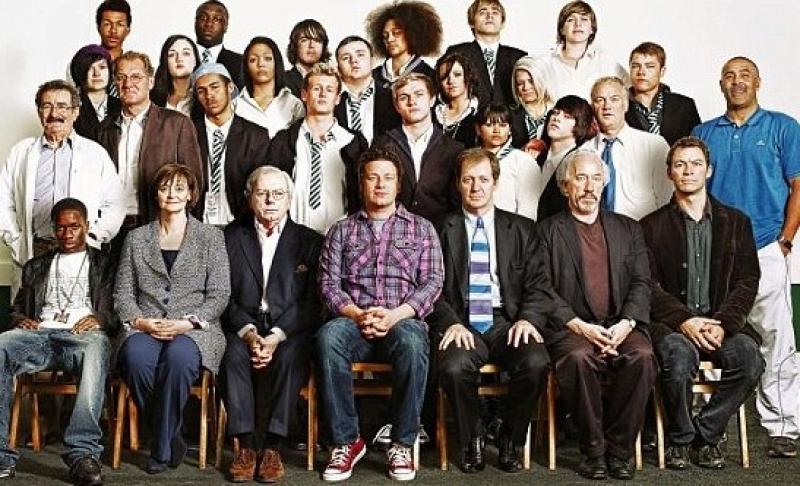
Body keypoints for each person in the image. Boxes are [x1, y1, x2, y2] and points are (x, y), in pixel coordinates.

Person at [692, 56, 800, 458]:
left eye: (745, 75)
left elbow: (798, 186)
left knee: (777, 338)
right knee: (707, 335)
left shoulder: (783, 127)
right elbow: (694, 191)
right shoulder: (703, 133)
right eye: (729, 76)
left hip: (766, 246)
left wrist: (785, 240)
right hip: (716, 253)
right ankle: (707, 425)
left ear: (758, 81)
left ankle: (783, 426)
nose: (737, 81)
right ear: (720, 84)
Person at [317, 148, 443, 482]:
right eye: (373, 177)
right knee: (328, 337)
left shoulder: (422, 229)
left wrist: (394, 315)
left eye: (388, 178)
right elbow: (328, 285)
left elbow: (432, 282)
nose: (380, 184)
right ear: (361, 183)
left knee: (414, 342)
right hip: (353, 320)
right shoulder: (341, 231)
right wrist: (358, 315)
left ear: (399, 184)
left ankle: (402, 442)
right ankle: (346, 441)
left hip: (401, 320)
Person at [531, 149, 656, 480]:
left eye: (596, 178)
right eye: (581, 178)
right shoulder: (546, 231)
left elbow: (642, 282)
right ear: (565, 186)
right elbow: (541, 287)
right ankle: (594, 450)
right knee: (578, 358)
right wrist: (580, 326)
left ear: (604, 183)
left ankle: (620, 451)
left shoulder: (628, 228)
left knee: (643, 356)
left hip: (621, 325)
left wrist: (627, 323)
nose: (589, 187)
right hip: (571, 328)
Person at [640, 136, 764, 469]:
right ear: (669, 172)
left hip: (723, 324)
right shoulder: (649, 226)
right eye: (680, 165)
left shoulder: (737, 222)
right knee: (677, 358)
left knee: (750, 360)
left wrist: (723, 324)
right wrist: (684, 320)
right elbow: (647, 285)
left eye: (696, 164)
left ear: (708, 170)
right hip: (673, 326)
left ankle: (705, 434)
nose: (688, 171)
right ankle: (680, 439)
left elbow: (747, 280)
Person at [431, 148, 549, 473]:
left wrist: (527, 319)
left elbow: (539, 285)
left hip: (507, 320)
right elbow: (429, 286)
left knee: (536, 362)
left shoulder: (522, 229)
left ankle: (510, 438)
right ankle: (472, 440)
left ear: (495, 183)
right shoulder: (440, 229)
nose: (476, 187)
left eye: (483, 179)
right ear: (458, 184)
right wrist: (450, 322)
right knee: (454, 367)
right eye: (468, 179)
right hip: (461, 320)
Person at [114, 164, 230, 474]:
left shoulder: (211, 237)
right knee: (134, 357)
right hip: (146, 326)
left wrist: (187, 323)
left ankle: (160, 448)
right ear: (155, 194)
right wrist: (141, 322)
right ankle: (171, 436)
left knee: (178, 358)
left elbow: (219, 294)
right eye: (165, 188)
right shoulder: (136, 238)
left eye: (180, 188)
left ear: (191, 194)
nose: (171, 194)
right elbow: (122, 293)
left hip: (195, 329)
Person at [0, 198, 116, 486]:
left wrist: (100, 318)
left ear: (87, 226)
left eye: (74, 227)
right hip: (40, 335)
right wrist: (20, 319)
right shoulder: (36, 266)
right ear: (53, 229)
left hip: (83, 337)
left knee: (97, 348)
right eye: (61, 228)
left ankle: (83, 454)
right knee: (1, 346)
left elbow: (119, 308)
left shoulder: (105, 264)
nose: (67, 234)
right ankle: (1, 456)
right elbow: (17, 307)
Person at [222, 166, 323, 483]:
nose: (270, 200)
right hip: (244, 325)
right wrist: (250, 333)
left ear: (290, 199)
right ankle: (245, 446)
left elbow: (312, 302)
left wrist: (276, 336)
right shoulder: (228, 237)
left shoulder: (310, 241)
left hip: (288, 329)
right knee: (231, 355)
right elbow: (222, 296)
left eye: (278, 193)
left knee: (291, 356)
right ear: (249, 197)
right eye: (262, 193)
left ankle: (273, 447)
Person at [0, 80, 124, 294]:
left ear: (75, 112)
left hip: (79, 250)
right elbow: (3, 200)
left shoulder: (95, 153)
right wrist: (15, 239)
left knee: (74, 311)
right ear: (39, 112)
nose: (54, 113)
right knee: (30, 311)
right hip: (35, 249)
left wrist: (93, 238)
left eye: (62, 106)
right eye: (47, 106)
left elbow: (116, 204)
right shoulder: (21, 152)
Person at [95, 51, 204, 226]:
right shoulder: (104, 129)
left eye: (136, 77)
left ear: (151, 82)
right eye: (121, 77)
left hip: (159, 224)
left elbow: (194, 182)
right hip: (111, 225)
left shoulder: (177, 124)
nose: (128, 84)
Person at [266, 63, 367, 234]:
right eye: (316, 88)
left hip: (341, 236)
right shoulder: (284, 140)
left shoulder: (354, 142)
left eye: (329, 89)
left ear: (337, 98)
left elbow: (362, 194)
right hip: (293, 236)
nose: (322, 94)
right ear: (304, 94)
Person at [372, 73, 464, 225]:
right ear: (396, 106)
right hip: (392, 231)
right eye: (404, 97)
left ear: (432, 99)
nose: (412, 102)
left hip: (439, 231)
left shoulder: (454, 149)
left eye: (419, 94)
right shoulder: (382, 145)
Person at [191, 63, 270, 226]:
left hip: (240, 225)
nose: (209, 95)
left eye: (215, 87)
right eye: (201, 91)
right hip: (197, 224)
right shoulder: (188, 132)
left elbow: (261, 186)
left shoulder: (255, 136)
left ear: (230, 87)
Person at [587, 76, 671, 220]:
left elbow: (667, 200)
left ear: (625, 105)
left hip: (644, 230)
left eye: (614, 99)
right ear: (592, 107)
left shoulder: (654, 146)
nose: (607, 106)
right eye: (600, 100)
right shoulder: (584, 152)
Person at [533, 1, 628, 101]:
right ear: (562, 29)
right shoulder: (543, 63)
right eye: (570, 20)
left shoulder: (606, 62)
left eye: (584, 19)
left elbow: (631, 92)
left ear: (592, 29)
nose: (578, 24)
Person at [443, 0, 526, 108]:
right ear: (471, 22)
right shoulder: (457, 52)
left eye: (495, 12)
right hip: (470, 117)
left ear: (503, 23)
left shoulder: (518, 57)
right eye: (482, 12)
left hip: (510, 118)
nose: (489, 16)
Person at [626, 42, 701, 145]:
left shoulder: (685, 106)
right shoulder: (617, 106)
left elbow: (697, 147)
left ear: (662, 71)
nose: (641, 72)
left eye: (650, 66)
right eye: (635, 66)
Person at [536, 94, 596, 221]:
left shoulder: (580, 162)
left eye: (567, 116)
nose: (557, 118)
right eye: (555, 112)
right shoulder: (537, 157)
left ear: (580, 124)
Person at [474, 104, 540, 220]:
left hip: (510, 226)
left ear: (510, 129)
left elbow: (528, 209)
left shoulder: (522, 160)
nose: (497, 131)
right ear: (478, 129)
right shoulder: (469, 160)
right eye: (489, 125)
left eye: (503, 125)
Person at [334, 36, 400, 145]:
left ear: (372, 61)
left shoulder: (392, 97)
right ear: (338, 67)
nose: (354, 60)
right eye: (346, 58)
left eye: (360, 55)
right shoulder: (328, 100)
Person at [236, 36, 305, 137]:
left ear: (277, 62)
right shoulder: (235, 105)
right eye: (253, 60)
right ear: (246, 67)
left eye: (267, 58)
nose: (261, 64)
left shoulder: (294, 104)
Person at [366, 1, 441, 88]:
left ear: (411, 34)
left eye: (396, 33)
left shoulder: (429, 76)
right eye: (385, 35)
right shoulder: (372, 76)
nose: (389, 39)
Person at [69, 44, 121, 140]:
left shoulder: (121, 106)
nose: (97, 73)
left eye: (102, 67)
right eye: (89, 68)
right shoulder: (71, 108)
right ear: (80, 73)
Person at [434, 53, 480, 148]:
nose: (451, 81)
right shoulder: (433, 114)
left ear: (468, 76)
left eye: (457, 75)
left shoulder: (481, 112)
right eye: (444, 76)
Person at [194, 0, 243, 88]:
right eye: (203, 18)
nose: (208, 24)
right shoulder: (178, 59)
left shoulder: (241, 63)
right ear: (195, 23)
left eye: (216, 19)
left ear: (226, 26)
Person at [151, 35, 201, 118]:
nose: (179, 59)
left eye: (186, 53)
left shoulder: (203, 97)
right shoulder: (152, 98)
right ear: (165, 61)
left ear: (195, 60)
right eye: (171, 54)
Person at [509, 57, 552, 153]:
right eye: (520, 83)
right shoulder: (509, 115)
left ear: (542, 80)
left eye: (531, 81)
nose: (526, 87)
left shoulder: (558, 112)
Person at [284, 20, 331, 98]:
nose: (311, 45)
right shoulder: (282, 80)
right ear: (295, 46)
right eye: (304, 40)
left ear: (323, 47)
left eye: (317, 40)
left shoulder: (333, 80)